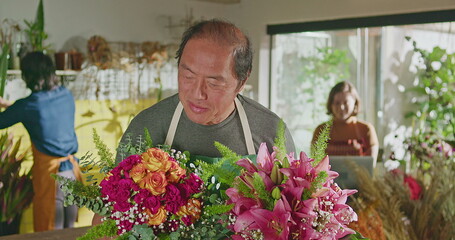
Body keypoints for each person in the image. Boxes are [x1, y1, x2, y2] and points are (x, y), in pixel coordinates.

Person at [92, 19, 295, 225]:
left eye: (213, 83)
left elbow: (291, 221)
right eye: (187, 76)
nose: (197, 94)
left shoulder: (271, 131)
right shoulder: (148, 126)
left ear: (242, 82)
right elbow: (106, 218)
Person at [0, 51, 81, 232]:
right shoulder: (65, 95)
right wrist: (8, 105)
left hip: (51, 178)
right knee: (71, 231)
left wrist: (9, 108)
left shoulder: (28, 105)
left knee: (49, 233)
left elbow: (4, 120)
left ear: (28, 76)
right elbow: (42, 109)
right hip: (72, 175)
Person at [312, 81, 379, 164]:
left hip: (359, 177)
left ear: (355, 103)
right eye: (337, 103)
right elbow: (315, 164)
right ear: (331, 105)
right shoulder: (320, 130)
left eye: (346, 102)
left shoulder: (366, 129)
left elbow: (371, 166)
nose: (341, 107)